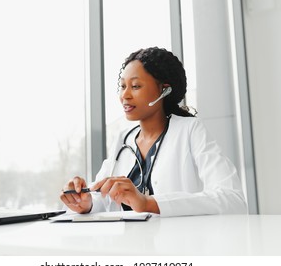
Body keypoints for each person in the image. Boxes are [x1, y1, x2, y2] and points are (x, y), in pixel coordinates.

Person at [60, 47, 247, 217]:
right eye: (123, 86)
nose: (125, 95)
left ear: (164, 91)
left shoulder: (189, 130)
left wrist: (149, 203)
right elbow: (104, 199)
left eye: (135, 86)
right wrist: (86, 202)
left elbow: (232, 199)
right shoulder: (123, 139)